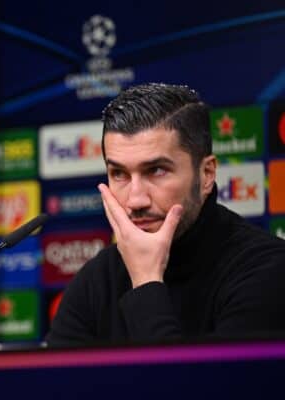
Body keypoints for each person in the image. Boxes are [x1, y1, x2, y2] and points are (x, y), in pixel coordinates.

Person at [46, 82, 285, 347]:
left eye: (157, 170)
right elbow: (55, 388)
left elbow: (200, 389)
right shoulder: (95, 281)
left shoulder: (267, 270)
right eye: (119, 174)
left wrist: (147, 282)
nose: (136, 199)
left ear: (206, 174)